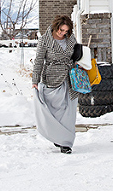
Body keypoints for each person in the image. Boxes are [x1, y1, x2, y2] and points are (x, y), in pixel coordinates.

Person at [32, 15, 79, 154]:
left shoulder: (71, 38)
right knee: (55, 111)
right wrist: (35, 80)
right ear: (55, 27)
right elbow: (39, 61)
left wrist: (79, 64)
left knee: (68, 112)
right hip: (52, 79)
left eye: (66, 31)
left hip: (70, 79)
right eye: (61, 30)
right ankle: (57, 136)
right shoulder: (45, 40)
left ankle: (66, 143)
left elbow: (76, 55)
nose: (63, 33)